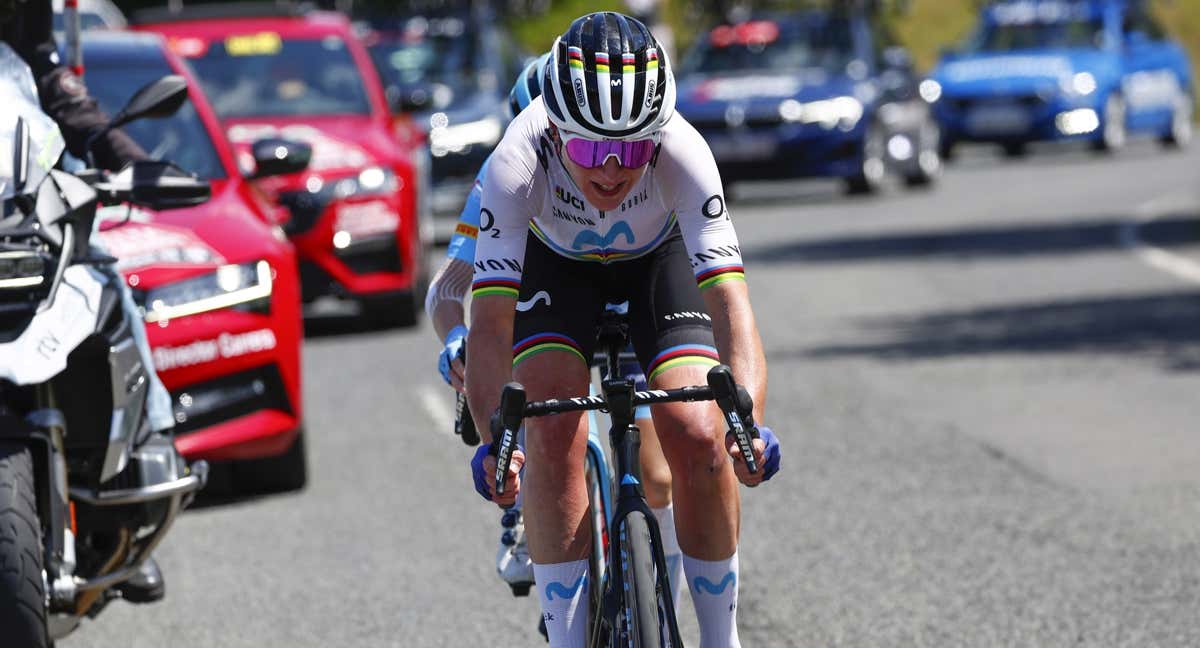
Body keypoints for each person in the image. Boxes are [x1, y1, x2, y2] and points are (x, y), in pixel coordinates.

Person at [466, 12, 780, 648]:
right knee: (551, 426)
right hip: (555, 266)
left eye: (632, 150)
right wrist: (497, 441)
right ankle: (569, 638)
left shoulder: (685, 151)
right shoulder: (515, 162)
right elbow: (491, 327)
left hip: (656, 264)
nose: (611, 170)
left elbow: (731, 306)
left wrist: (747, 425)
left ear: (656, 136)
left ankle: (723, 639)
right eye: (588, 150)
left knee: (699, 431)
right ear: (555, 132)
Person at [426, 53, 687, 607]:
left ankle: (660, 604)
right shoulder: (507, 174)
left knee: (659, 472)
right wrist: (457, 339)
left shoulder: (638, 164)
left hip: (629, 301)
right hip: (549, 303)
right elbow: (448, 288)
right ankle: (528, 516)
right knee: (546, 432)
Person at [3, 0, 173, 603]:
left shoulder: (21, 22)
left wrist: (128, 159)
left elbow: (54, 86)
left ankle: (143, 465)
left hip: (23, 216)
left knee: (104, 278)